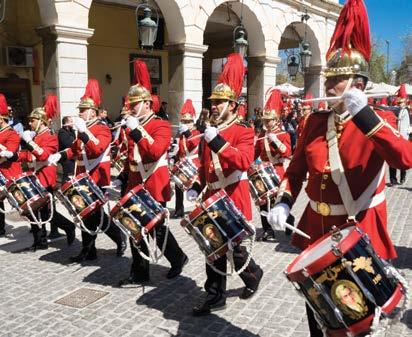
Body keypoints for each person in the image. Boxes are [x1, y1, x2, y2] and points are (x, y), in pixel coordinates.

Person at [266, 0, 412, 335]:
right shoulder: (315, 123)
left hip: (359, 235)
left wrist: (365, 115)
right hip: (317, 231)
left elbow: (405, 158)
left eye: (338, 81)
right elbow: (297, 170)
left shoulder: (381, 120)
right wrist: (284, 201)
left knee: (357, 321)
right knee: (320, 317)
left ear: (359, 84)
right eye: (329, 80)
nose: (328, 88)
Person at [187, 53, 263, 316]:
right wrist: (197, 186)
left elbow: (243, 161)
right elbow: (203, 165)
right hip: (212, 195)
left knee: (236, 250)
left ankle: (253, 275)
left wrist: (217, 141)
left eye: (221, 102)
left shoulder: (244, 131)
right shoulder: (209, 131)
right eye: (214, 102)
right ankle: (215, 295)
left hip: (233, 195)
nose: (215, 106)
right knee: (211, 246)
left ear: (233, 105)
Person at [118, 60, 187, 285]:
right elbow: (131, 156)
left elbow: (155, 152)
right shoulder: (132, 125)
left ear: (148, 103)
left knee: (155, 228)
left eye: (135, 104)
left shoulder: (161, 125)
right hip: (135, 181)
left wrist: (136, 131)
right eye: (130, 104)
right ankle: (139, 272)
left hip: (153, 183)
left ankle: (177, 258)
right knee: (134, 228)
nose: (131, 108)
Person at [48, 79, 126, 262]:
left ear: (93, 112)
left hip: (98, 177)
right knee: (83, 214)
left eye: (83, 110)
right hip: (83, 177)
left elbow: (96, 149)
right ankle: (88, 251)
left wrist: (83, 132)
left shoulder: (102, 129)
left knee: (96, 214)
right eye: (80, 110)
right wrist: (60, 156)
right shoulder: (84, 129)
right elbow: (75, 150)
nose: (80, 113)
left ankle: (118, 237)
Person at [18, 94, 75, 249]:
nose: (29, 123)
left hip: (46, 177)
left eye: (32, 120)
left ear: (41, 121)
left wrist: (29, 142)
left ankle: (69, 227)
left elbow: (43, 155)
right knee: (32, 211)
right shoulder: (36, 136)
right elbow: (29, 156)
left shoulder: (50, 136)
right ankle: (39, 242)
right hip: (35, 176)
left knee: (45, 213)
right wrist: (14, 155)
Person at [254, 89, 294, 241]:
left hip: (277, 169)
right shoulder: (262, 135)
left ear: (276, 119)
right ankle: (267, 230)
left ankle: (289, 219)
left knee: (277, 200)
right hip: (263, 170)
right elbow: (255, 152)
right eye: (265, 120)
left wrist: (275, 140)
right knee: (263, 202)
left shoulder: (284, 135)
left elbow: (287, 152)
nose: (266, 123)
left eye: (269, 120)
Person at [173, 99, 201, 218]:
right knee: (178, 186)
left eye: (188, 121)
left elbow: (194, 143)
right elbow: (179, 150)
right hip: (183, 162)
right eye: (184, 121)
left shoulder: (196, 132)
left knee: (196, 188)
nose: (186, 123)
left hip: (194, 163)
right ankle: (179, 210)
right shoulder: (181, 135)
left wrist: (187, 133)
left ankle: (200, 208)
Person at [0, 94, 22, 237]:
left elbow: (10, 153)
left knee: (24, 205)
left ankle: (65, 226)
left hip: (9, 172)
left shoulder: (11, 133)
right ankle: (1, 228)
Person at [389, 84, 410, 185]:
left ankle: (402, 177)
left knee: (401, 159)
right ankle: (393, 179)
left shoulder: (406, 111)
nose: (399, 104)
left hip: (402, 138)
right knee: (392, 158)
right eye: (398, 102)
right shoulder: (397, 109)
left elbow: (404, 126)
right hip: (395, 137)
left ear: (405, 101)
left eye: (401, 102)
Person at [58, 116, 76, 182]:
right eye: (71, 121)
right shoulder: (62, 132)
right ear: (66, 123)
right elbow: (66, 144)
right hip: (65, 157)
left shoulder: (72, 131)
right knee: (68, 174)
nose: (72, 123)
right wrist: (74, 142)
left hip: (72, 156)